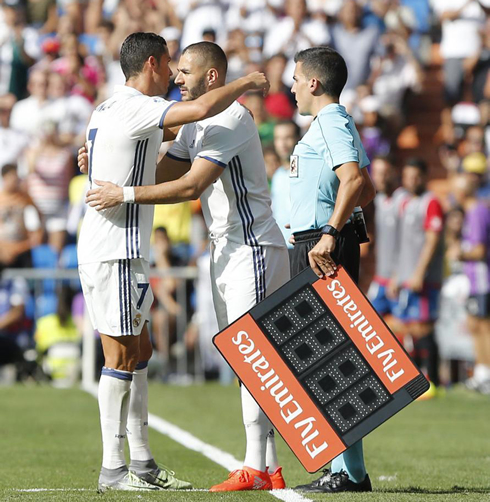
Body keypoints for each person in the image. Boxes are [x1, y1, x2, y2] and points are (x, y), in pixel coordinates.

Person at [82, 41, 289, 492]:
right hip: (222, 248)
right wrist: (106, 168)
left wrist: (124, 192)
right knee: (239, 354)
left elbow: (191, 184)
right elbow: (160, 171)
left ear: (211, 77)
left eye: (187, 71)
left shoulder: (230, 116)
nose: (177, 77)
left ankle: (257, 466)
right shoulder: (187, 116)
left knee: (249, 353)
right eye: (175, 68)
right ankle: (263, 467)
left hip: (251, 245)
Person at [286, 47, 376, 493]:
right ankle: (351, 469)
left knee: (332, 361)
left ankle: (349, 473)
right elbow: (367, 186)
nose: (292, 87)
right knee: (327, 361)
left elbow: (356, 180)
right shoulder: (333, 124)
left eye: (297, 79)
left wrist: (329, 231)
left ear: (314, 84)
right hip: (319, 239)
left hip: (320, 243)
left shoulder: (332, 121)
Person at [391, 159, 445, 398]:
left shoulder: (431, 202)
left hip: (424, 278)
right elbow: (402, 243)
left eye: (416, 176)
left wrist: (419, 273)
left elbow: (432, 240)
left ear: (424, 176)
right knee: (407, 326)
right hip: (405, 276)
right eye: (408, 176)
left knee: (423, 327)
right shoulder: (404, 202)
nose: (411, 180)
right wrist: (396, 274)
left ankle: (433, 381)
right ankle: (415, 380)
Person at [450, 173, 490, 393]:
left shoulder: (477, 212)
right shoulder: (472, 212)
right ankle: (482, 371)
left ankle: (487, 373)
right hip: (474, 280)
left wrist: (460, 254)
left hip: (483, 279)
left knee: (484, 327)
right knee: (475, 325)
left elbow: (480, 249)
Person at [368, 156, 405, 321]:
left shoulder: (404, 201)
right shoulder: (379, 200)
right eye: (376, 173)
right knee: (369, 322)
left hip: (399, 280)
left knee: (406, 333)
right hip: (381, 278)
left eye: (385, 173)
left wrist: (398, 276)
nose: (380, 178)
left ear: (394, 173)